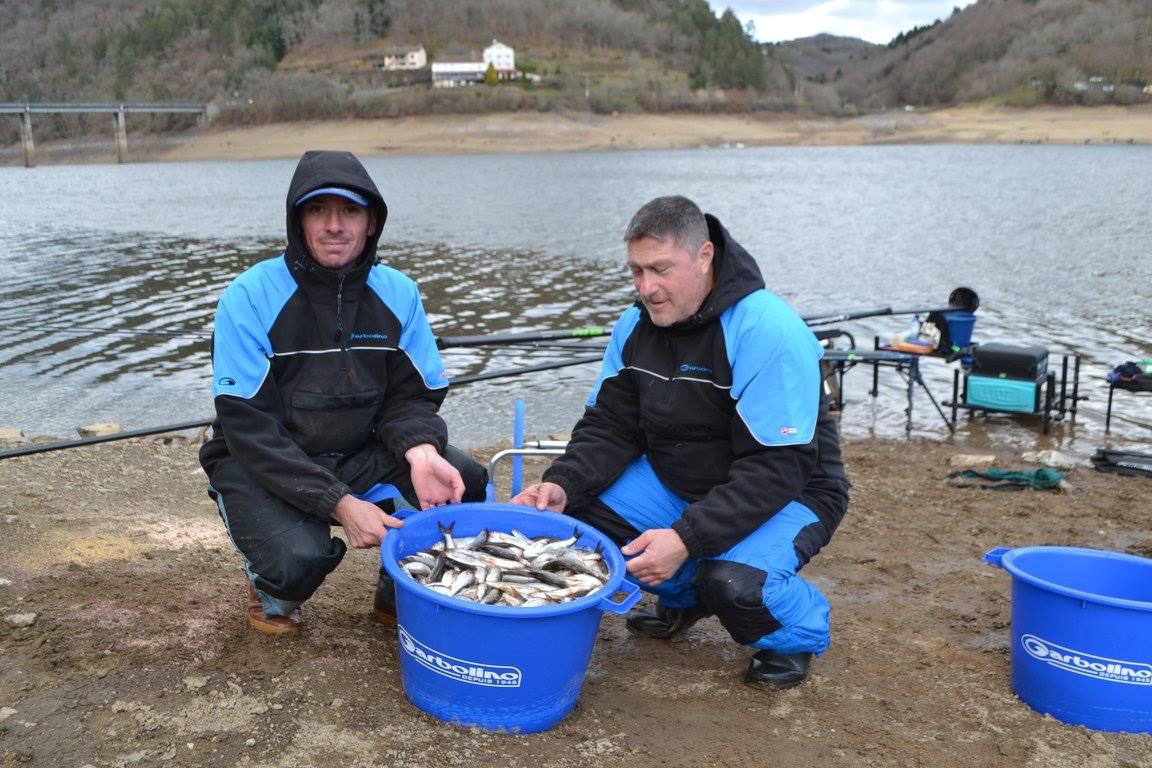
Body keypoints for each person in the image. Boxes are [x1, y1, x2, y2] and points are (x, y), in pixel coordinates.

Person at [512, 196, 849, 689]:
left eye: (661, 269)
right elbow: (609, 426)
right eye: (636, 271)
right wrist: (563, 483)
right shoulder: (633, 326)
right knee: (578, 526)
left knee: (733, 583)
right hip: (678, 478)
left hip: (791, 490)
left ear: (705, 256)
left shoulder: (768, 330)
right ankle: (686, 597)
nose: (646, 288)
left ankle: (794, 633)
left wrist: (686, 539)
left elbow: (776, 468)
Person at [199, 149, 487, 635]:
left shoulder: (399, 293)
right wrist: (338, 502)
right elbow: (250, 428)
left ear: (371, 221)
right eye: (318, 210)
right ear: (298, 221)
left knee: (464, 481)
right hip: (265, 461)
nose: (335, 225)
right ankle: (270, 591)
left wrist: (419, 451)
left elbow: (410, 398)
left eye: (349, 210)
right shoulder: (249, 297)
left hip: (358, 450)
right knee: (298, 558)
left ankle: (398, 594)